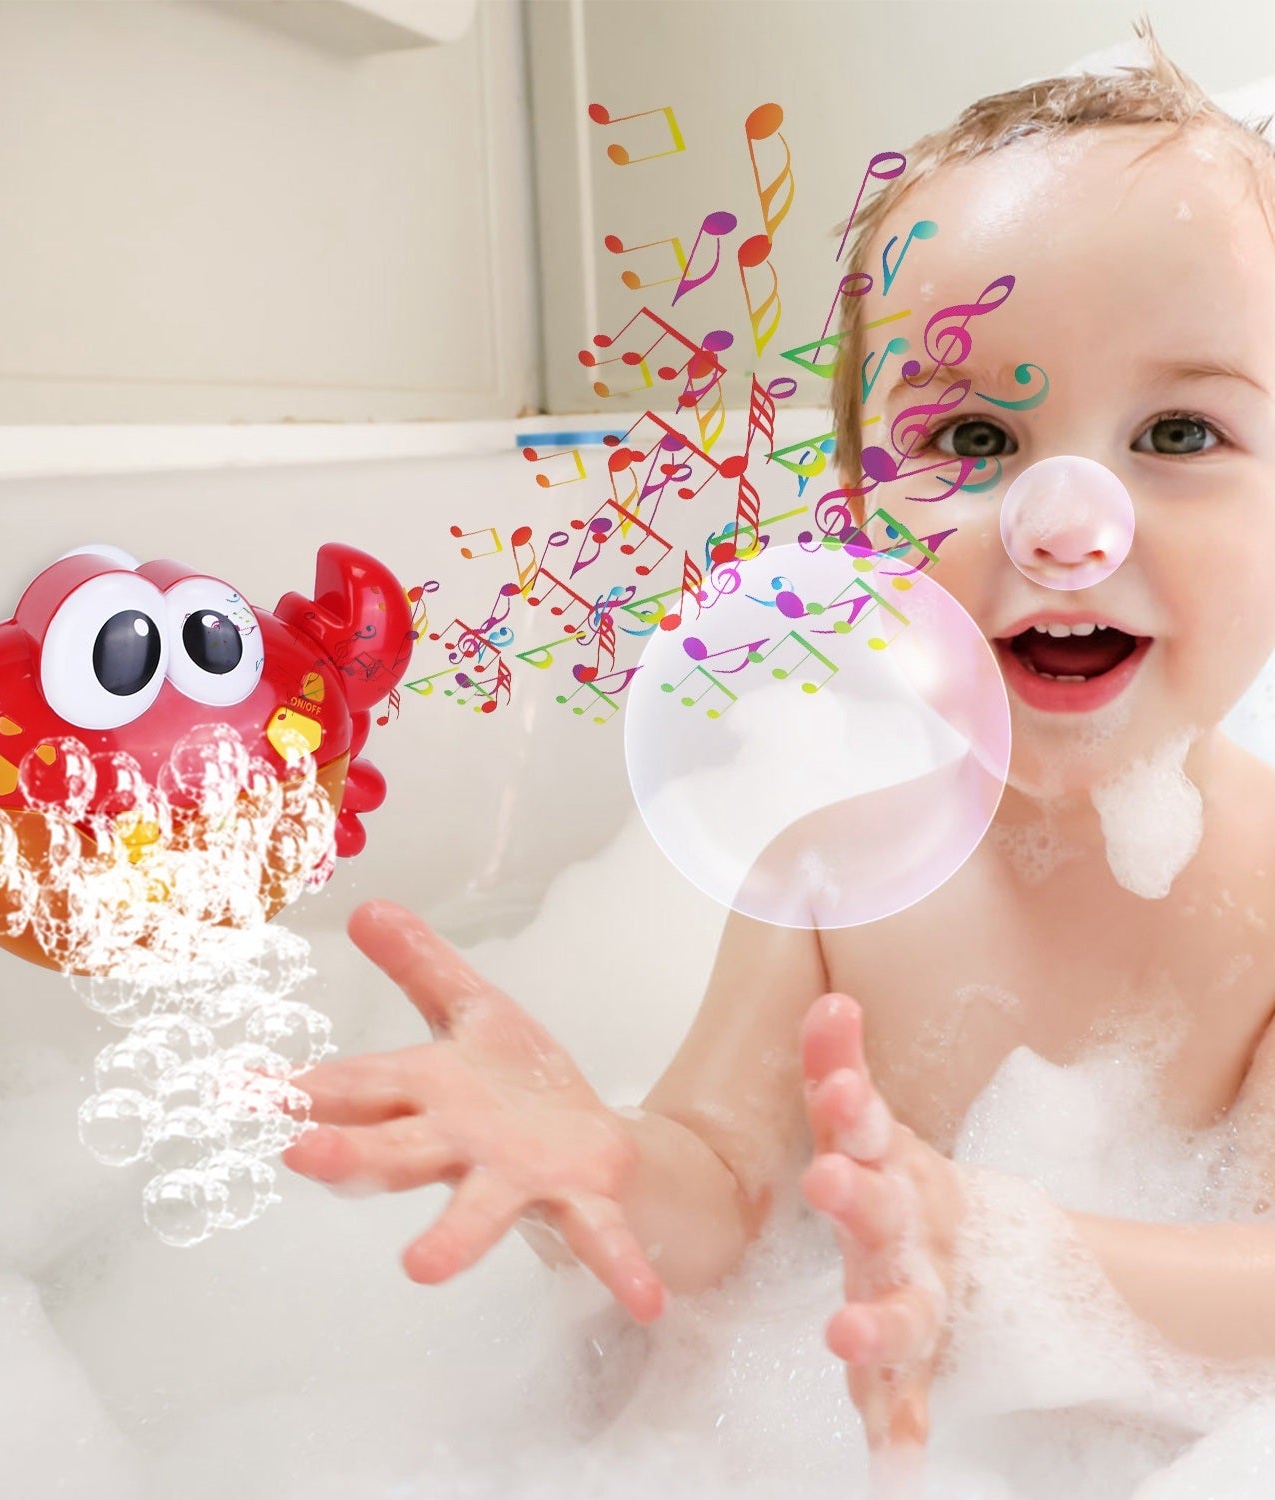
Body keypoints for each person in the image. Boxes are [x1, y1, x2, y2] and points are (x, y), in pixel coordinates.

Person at [284, 30, 1275, 1455]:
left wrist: (1002, 1262)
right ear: (865, 517)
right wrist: (606, 1162)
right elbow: (728, 1183)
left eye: (1179, 431)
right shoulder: (829, 874)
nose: (1066, 525)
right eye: (979, 441)